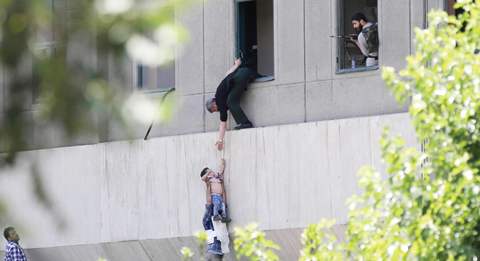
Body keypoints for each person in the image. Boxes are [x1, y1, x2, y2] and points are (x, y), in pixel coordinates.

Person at [205, 58, 258, 151]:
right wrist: (237, 64)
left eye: (214, 109)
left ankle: (246, 123)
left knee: (230, 102)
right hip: (243, 72)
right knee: (230, 100)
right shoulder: (220, 92)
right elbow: (228, 74)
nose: (217, 111)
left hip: (241, 75)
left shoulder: (220, 102)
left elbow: (223, 124)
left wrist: (220, 140)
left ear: (214, 103)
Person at [200, 159, 231, 223]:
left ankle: (224, 216)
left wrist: (223, 164)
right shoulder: (209, 179)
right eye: (209, 172)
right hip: (214, 195)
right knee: (216, 204)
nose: (212, 171)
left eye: (211, 171)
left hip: (220, 195)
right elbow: (202, 178)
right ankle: (215, 215)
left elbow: (221, 171)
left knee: (222, 205)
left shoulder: (216, 177)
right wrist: (208, 173)